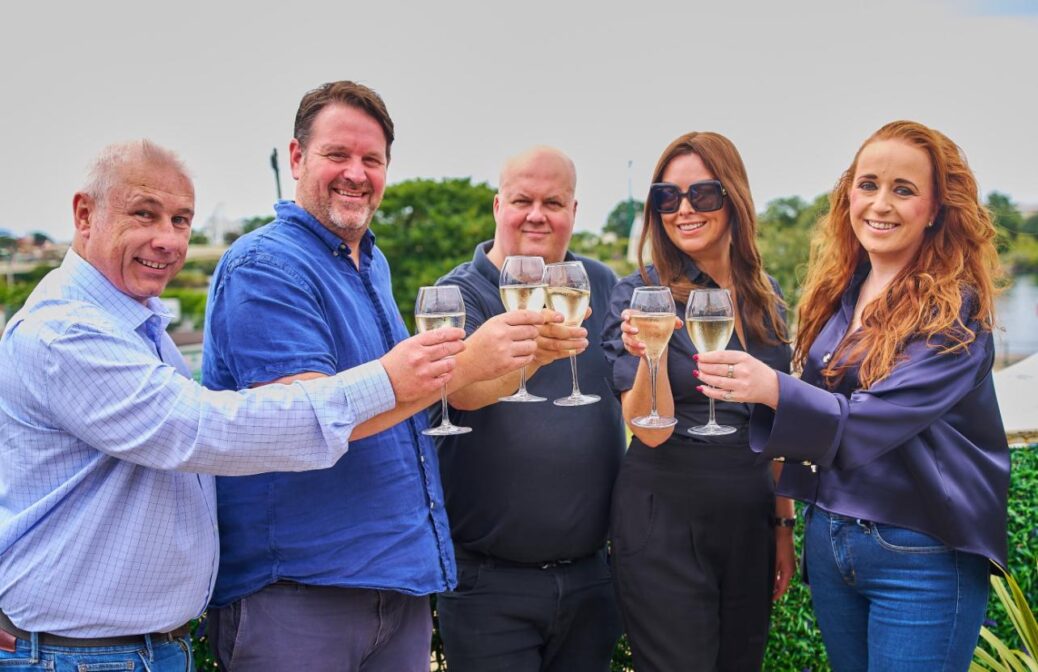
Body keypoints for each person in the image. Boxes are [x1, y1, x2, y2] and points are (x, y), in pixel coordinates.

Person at [0, 139, 471, 671]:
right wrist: (388, 381)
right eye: (144, 215)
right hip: (79, 657)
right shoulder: (65, 333)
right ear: (85, 214)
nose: (167, 240)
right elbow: (202, 429)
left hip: (134, 650)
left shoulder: (134, 323)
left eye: (181, 221)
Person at [201, 81, 544, 672]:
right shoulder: (266, 265)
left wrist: (525, 356)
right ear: (297, 157)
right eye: (338, 155)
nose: (355, 173)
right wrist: (466, 360)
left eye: (372, 160)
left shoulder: (369, 260)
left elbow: (415, 399)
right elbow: (301, 420)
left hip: (396, 589)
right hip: (301, 597)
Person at [696, 120, 1009, 671]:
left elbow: (871, 421)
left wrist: (773, 389)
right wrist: (788, 521)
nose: (880, 204)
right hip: (832, 538)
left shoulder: (954, 311)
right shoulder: (841, 292)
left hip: (921, 550)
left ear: (936, 208)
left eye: (903, 189)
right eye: (868, 185)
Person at [602, 131, 796, 671]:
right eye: (667, 197)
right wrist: (652, 354)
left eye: (702, 195)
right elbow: (650, 429)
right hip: (664, 519)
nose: (683, 210)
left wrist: (783, 526)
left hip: (749, 520)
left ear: (733, 197)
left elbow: (775, 424)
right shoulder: (638, 293)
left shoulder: (767, 297)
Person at [433, 146, 625, 671]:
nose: (537, 214)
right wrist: (538, 354)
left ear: (574, 213)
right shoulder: (459, 294)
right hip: (489, 588)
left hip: (592, 580)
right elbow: (459, 390)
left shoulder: (601, 284)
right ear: (498, 207)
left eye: (553, 202)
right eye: (522, 200)